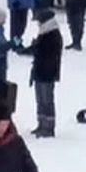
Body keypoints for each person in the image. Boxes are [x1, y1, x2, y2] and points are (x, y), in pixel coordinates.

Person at [28, 8, 63, 137]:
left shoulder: (51, 35)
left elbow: (43, 52)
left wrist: (33, 48)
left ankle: (48, 127)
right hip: (40, 71)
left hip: (46, 73)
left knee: (47, 100)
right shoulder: (45, 33)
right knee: (40, 100)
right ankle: (41, 124)